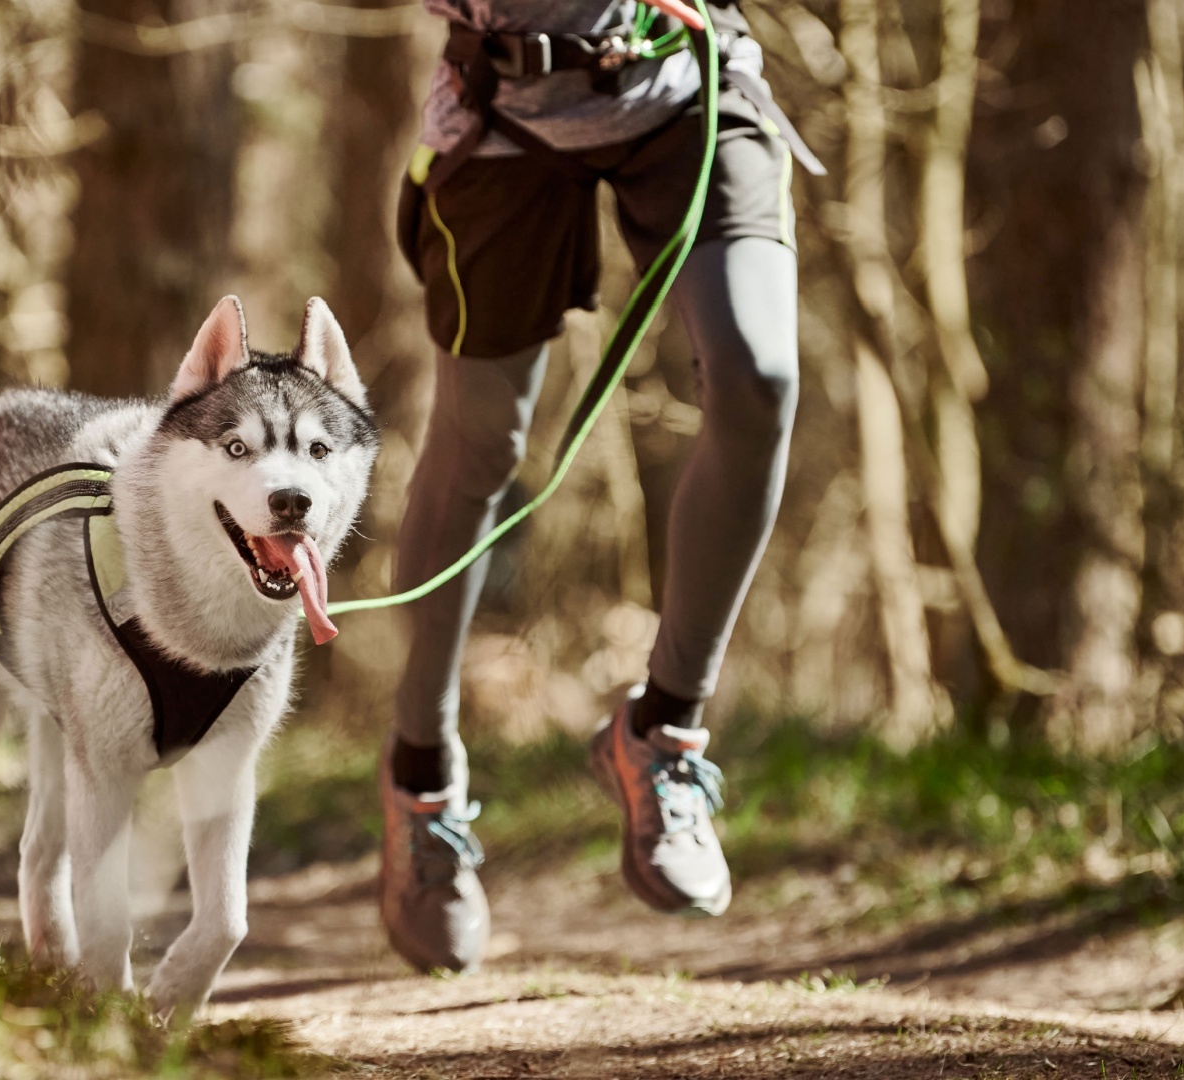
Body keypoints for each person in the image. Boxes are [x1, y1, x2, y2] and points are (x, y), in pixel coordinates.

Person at [381, 0, 811, 973]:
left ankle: (663, 733)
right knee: (481, 443)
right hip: (500, 107)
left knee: (761, 379)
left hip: (683, 80)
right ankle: (421, 783)